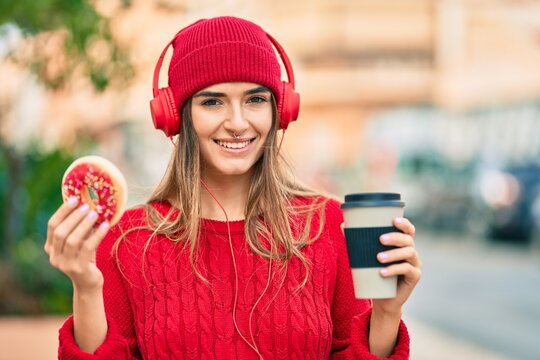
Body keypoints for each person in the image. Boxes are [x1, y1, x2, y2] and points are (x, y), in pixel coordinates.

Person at [45, 16, 421, 359]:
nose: (237, 122)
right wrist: (86, 286)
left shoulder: (330, 228)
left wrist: (387, 311)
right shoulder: (126, 241)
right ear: (176, 116)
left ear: (281, 110)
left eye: (255, 99)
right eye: (213, 102)